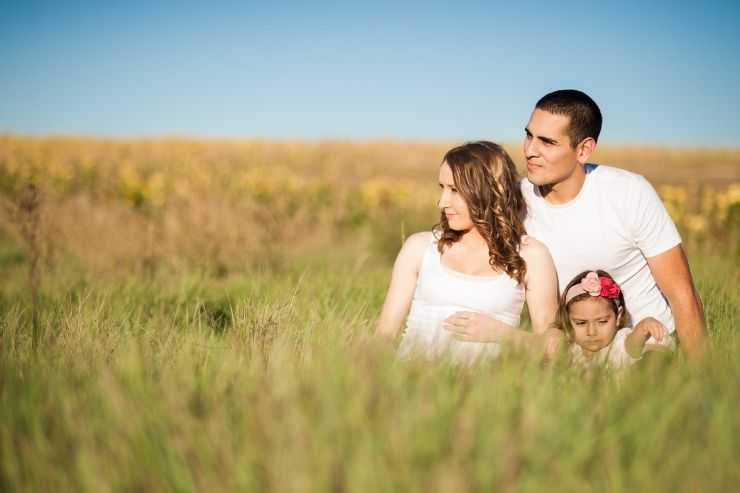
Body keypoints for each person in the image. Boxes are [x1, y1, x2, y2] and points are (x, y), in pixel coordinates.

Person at [520, 89, 707, 357]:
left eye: (547, 142)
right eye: (529, 135)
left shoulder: (629, 192)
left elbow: (682, 294)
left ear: (583, 149)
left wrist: (701, 381)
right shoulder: (516, 201)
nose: (530, 150)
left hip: (648, 352)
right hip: (575, 358)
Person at [375, 141, 559, 363]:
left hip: (487, 392)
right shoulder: (420, 248)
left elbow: (555, 347)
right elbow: (383, 338)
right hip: (414, 385)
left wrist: (503, 334)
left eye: (455, 190)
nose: (443, 202)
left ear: (488, 191)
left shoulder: (531, 255)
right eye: (442, 188)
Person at [556, 270, 668, 370]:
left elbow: (633, 344)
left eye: (602, 321)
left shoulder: (619, 343)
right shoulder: (571, 349)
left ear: (618, 317)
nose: (591, 332)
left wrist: (643, 328)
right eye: (581, 323)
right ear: (567, 319)